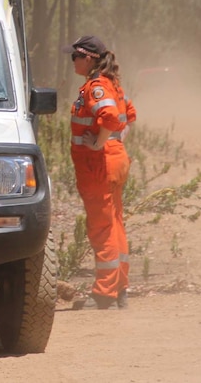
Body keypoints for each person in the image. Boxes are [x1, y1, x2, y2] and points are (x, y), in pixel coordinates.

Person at [62, 35, 137, 310]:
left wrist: (101, 141)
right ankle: (120, 288)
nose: (72, 62)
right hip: (114, 161)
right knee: (115, 221)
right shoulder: (112, 84)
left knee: (101, 227)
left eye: (75, 57)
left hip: (99, 166)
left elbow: (110, 117)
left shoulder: (96, 88)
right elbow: (129, 115)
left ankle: (105, 293)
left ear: (89, 58)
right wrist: (115, 139)